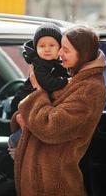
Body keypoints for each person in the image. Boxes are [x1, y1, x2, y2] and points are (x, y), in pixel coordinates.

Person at [11, 25, 106, 196]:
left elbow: (50, 126)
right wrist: (20, 117)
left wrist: (37, 90)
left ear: (82, 53)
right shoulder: (73, 77)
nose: (60, 53)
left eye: (66, 49)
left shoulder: (91, 89)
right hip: (41, 177)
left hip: (54, 182)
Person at [8, 23, 69, 152]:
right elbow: (46, 83)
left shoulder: (56, 63)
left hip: (35, 103)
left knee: (32, 127)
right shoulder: (39, 64)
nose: (47, 49)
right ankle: (14, 141)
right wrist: (65, 81)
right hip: (26, 100)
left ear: (60, 47)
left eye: (52, 45)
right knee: (29, 128)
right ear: (36, 48)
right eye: (42, 46)